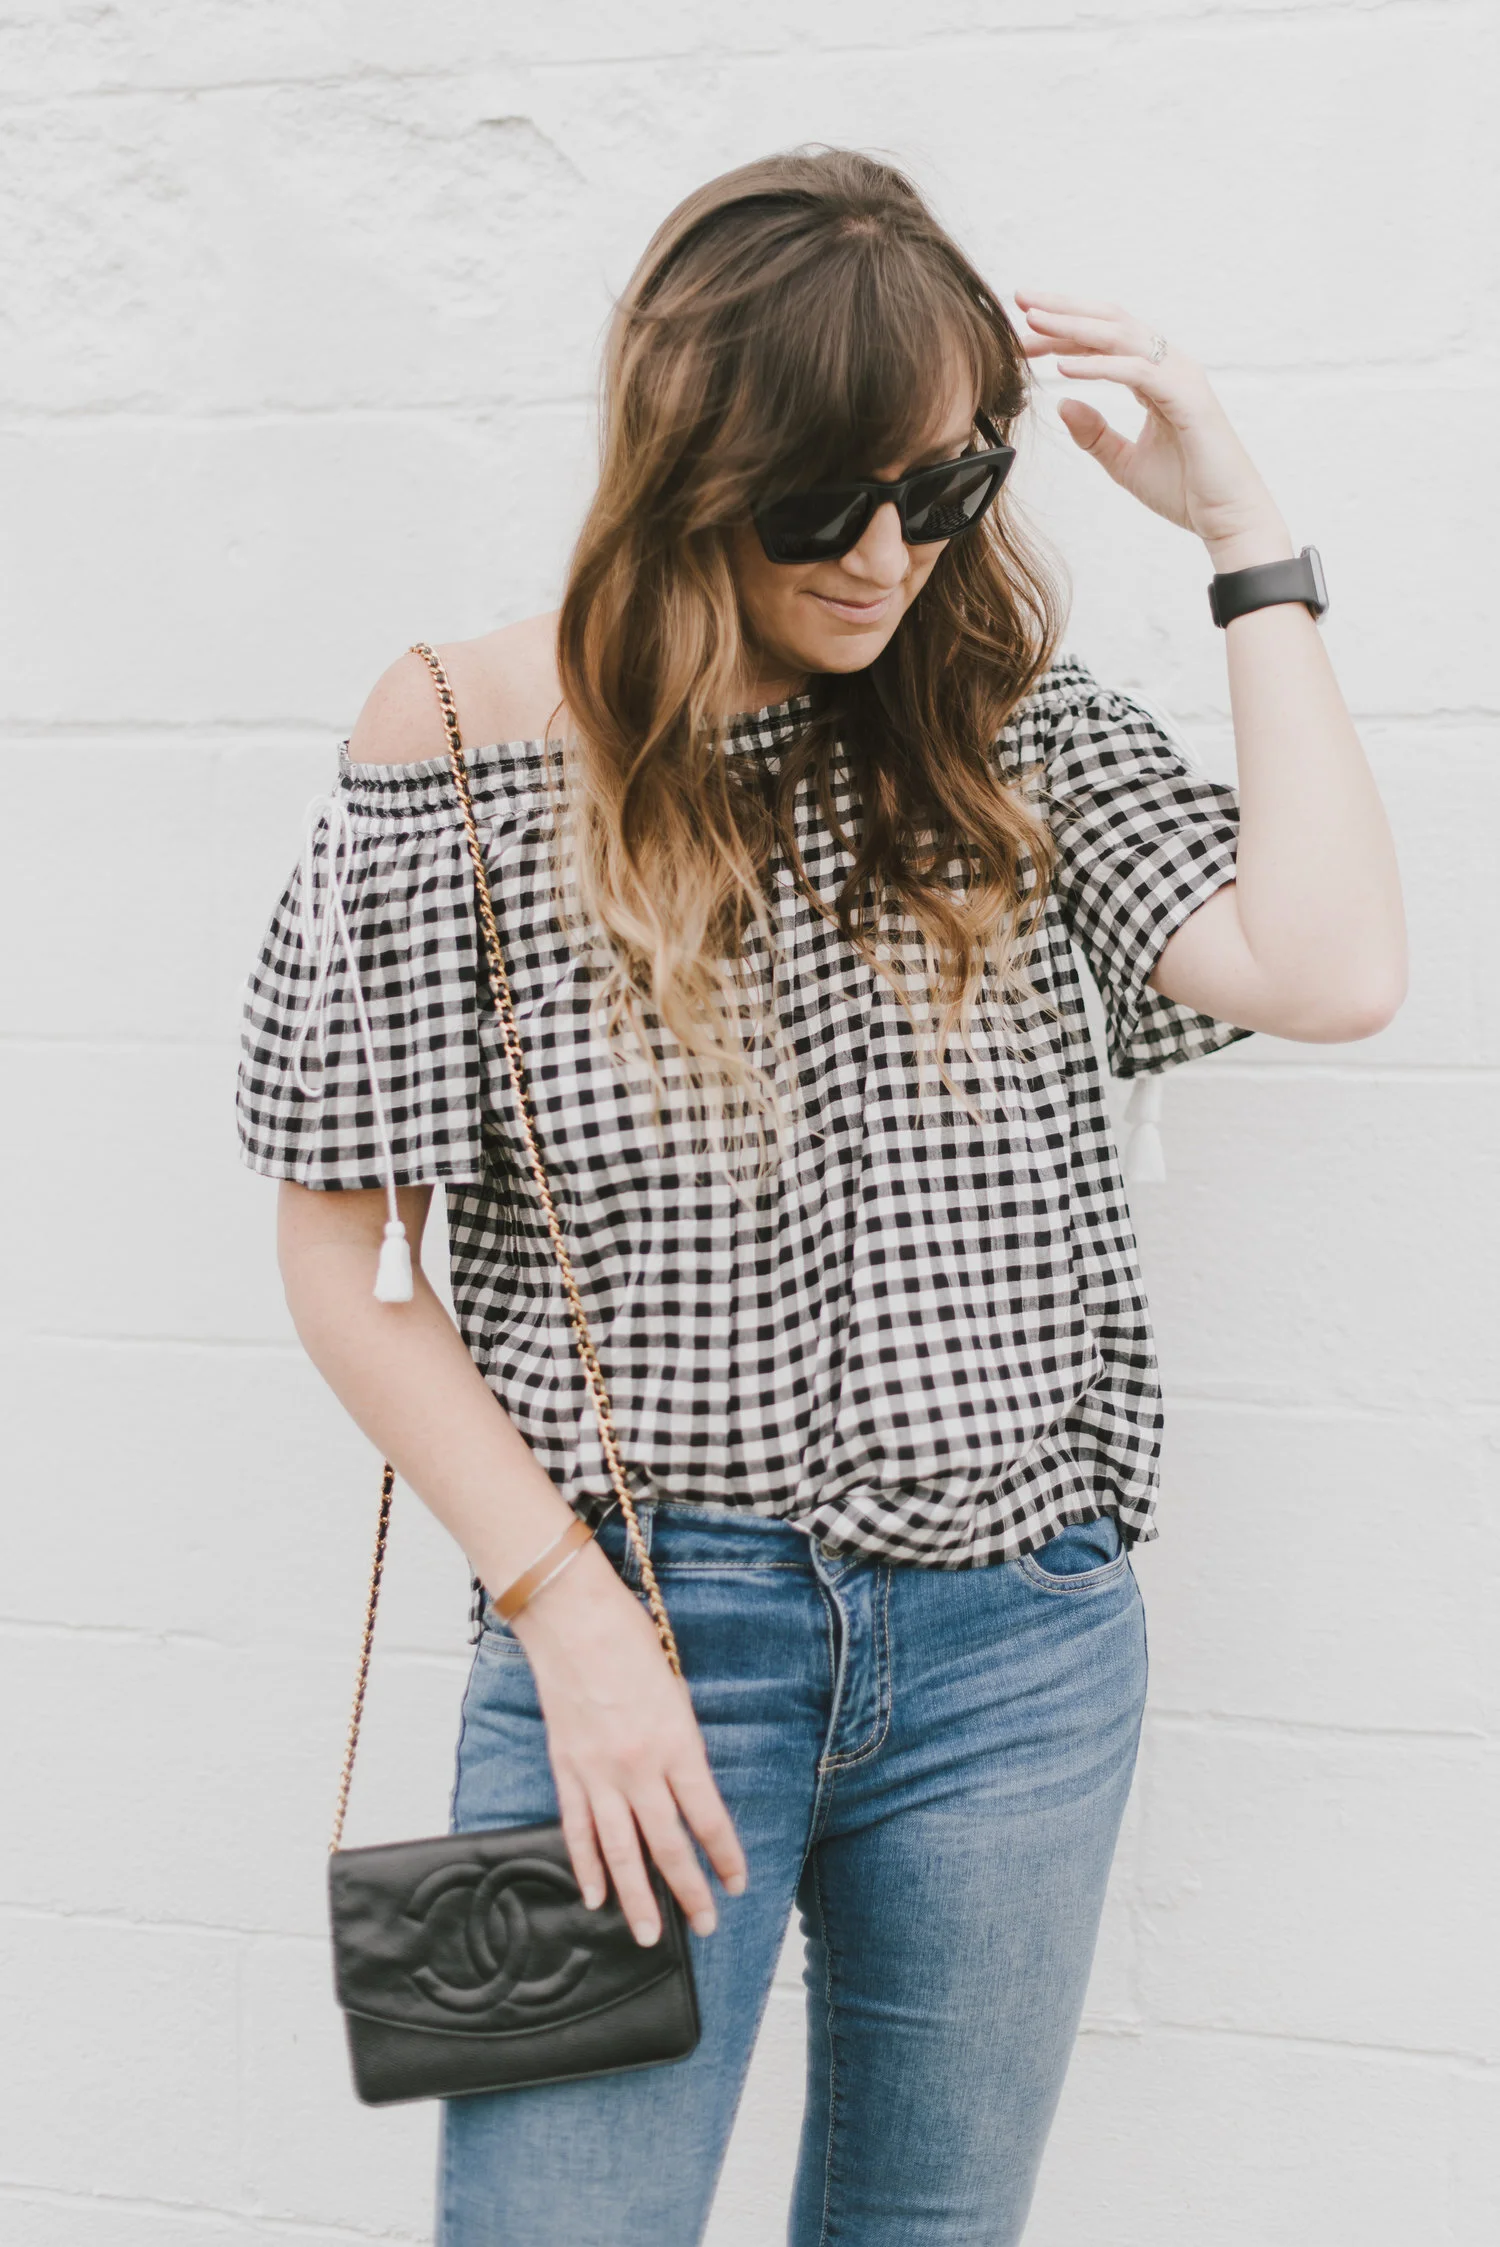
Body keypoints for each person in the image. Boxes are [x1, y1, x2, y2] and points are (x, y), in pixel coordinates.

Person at [236, 149, 1405, 2246]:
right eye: (823, 504)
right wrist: (568, 1617)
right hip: (633, 1641)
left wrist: (1249, 543)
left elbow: (1328, 966)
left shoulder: (1000, 724)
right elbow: (348, 1259)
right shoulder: (455, 741)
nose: (888, 556)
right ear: (692, 471)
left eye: (944, 491)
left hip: (1019, 1647)